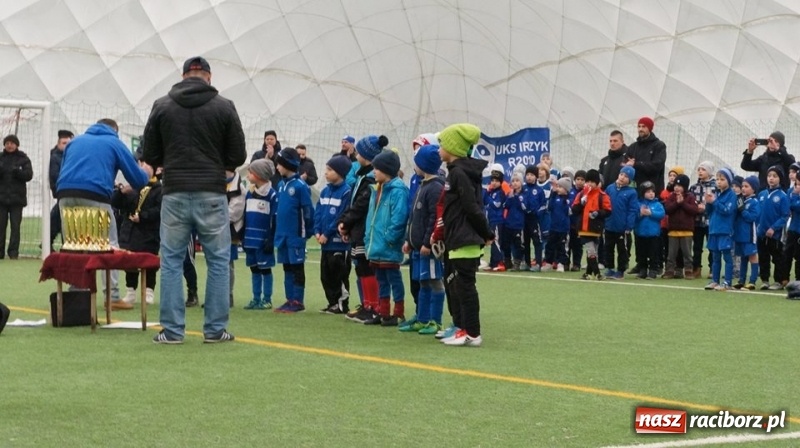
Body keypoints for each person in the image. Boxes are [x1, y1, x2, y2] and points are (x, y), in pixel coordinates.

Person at [142, 56, 246, 344]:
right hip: (212, 191)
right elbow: (237, 155)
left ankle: (173, 331)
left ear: (184, 75)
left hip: (174, 190)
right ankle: (215, 330)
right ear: (209, 77)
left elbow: (149, 151)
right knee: (218, 260)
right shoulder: (224, 106)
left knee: (172, 261)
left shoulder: (162, 105)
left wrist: (169, 162)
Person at [57, 119, 152, 308]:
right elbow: (138, 180)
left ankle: (77, 292)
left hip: (65, 195)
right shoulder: (114, 142)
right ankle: (113, 296)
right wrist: (147, 172)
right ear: (114, 130)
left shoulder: (75, 141)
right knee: (109, 245)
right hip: (95, 195)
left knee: (75, 245)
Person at [435, 123, 494, 347]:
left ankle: (473, 333)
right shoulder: (456, 172)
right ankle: (463, 330)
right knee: (460, 285)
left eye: (442, 145)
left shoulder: (459, 173)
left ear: (453, 147)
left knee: (466, 286)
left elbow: (472, 207)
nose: (439, 149)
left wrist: (486, 233)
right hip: (458, 237)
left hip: (465, 238)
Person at [338, 134, 385, 323]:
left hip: (364, 231)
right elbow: (354, 203)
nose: (356, 153)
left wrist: (346, 222)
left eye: (359, 151)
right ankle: (367, 304)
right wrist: (346, 224)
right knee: (361, 268)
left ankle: (373, 306)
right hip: (357, 230)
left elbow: (360, 206)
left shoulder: (370, 180)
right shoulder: (362, 176)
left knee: (366, 268)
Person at [400, 144, 445, 333]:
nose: (414, 166)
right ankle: (422, 318)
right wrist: (409, 240)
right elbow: (415, 217)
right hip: (418, 246)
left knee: (435, 281)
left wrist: (428, 242)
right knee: (423, 281)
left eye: (417, 162)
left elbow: (433, 218)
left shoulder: (435, 187)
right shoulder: (421, 184)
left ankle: (435, 321)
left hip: (429, 247)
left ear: (424, 165)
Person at [363, 149, 409, 326]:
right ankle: (383, 312)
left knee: (393, 278)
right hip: (376, 244)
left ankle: (398, 312)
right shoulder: (377, 189)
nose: (374, 171)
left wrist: (390, 238)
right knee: (381, 279)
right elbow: (371, 218)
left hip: (388, 245)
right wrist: (369, 238)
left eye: (377, 168)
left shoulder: (398, 191)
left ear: (387, 170)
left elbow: (399, 217)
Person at [111, 151, 162, 305]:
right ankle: (130, 291)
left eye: (144, 164)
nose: (141, 167)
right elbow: (117, 204)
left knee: (149, 262)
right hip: (130, 232)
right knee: (130, 262)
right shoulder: (133, 186)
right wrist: (120, 192)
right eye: (139, 164)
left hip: (149, 233)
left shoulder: (159, 189)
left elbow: (160, 210)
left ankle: (149, 291)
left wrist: (144, 216)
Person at [272, 147, 315, 313]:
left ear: (288, 165)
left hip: (296, 235)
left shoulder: (300, 186)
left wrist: (307, 231)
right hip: (282, 235)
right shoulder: (281, 185)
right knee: (287, 267)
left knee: (297, 267)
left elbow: (307, 210)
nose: (277, 167)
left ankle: (298, 300)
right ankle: (289, 299)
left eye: (279, 164)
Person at [315, 155, 352, 314]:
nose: (326, 173)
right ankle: (332, 303)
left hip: (338, 243)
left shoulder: (346, 192)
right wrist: (317, 231)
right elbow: (318, 212)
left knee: (339, 274)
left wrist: (328, 233)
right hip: (325, 243)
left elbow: (341, 216)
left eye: (330, 170)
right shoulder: (324, 191)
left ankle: (342, 303)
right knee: (326, 275)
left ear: (340, 172)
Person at [242, 159, 277, 310]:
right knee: (254, 268)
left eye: (251, 172)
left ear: (260, 175)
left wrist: (271, 239)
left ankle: (267, 299)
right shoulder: (249, 194)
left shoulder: (272, 195)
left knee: (265, 269)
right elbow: (244, 215)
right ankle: (256, 298)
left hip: (263, 240)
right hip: (250, 239)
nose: (248, 175)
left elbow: (274, 219)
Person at [572, 169, 612, 280]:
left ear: (597, 183)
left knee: (593, 251)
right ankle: (598, 274)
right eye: (587, 181)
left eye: (592, 182)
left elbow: (608, 211)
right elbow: (574, 210)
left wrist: (598, 213)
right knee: (591, 251)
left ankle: (587, 274)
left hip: (596, 228)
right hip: (584, 228)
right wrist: (581, 203)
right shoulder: (581, 195)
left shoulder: (602, 195)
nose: (589, 184)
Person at [756, 165, 789, 290]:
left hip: (774, 234)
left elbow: (785, 215)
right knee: (763, 257)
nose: (771, 179)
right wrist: (758, 226)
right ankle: (764, 280)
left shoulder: (782, 196)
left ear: (780, 178)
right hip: (761, 232)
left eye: (775, 176)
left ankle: (778, 281)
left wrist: (773, 228)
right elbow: (758, 213)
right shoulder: (762, 194)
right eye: (769, 176)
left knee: (777, 258)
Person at [0, 134, 33, 260]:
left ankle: (13, 252)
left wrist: (18, 172)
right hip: (1, 199)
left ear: (17, 145)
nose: (9, 145)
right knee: (1, 226)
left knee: (15, 227)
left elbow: (29, 175)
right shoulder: (0, 158)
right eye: (7, 143)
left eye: (12, 143)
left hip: (17, 200)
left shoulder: (23, 158)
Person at [704, 168, 737, 291]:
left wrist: (714, 201)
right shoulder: (717, 194)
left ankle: (727, 282)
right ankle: (715, 281)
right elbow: (709, 212)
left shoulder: (732, 195)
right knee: (715, 257)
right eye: (717, 179)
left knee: (727, 257)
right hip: (714, 230)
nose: (719, 182)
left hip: (725, 230)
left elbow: (727, 210)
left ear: (729, 181)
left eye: (722, 179)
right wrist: (708, 202)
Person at [603, 166, 638, 280]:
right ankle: (610, 268)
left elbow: (632, 210)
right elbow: (604, 204)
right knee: (608, 247)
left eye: (626, 176)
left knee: (622, 249)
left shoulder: (631, 192)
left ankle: (621, 270)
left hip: (622, 227)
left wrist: (629, 225)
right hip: (609, 225)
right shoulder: (610, 188)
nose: (623, 177)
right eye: (622, 174)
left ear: (630, 180)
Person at [662, 174, 698, 280]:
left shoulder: (690, 197)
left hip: (687, 231)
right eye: (675, 185)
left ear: (685, 187)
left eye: (680, 186)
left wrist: (682, 203)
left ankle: (688, 271)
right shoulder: (671, 197)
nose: (677, 188)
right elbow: (667, 209)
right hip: (673, 230)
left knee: (687, 254)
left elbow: (694, 210)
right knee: (671, 254)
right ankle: (669, 271)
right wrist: (677, 204)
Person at [624, 116, 667, 193]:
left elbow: (657, 166)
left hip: (652, 192)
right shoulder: (633, 147)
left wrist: (636, 164)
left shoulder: (659, 145)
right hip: (634, 190)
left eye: (644, 126)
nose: (640, 129)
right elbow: (625, 163)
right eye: (639, 126)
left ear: (650, 128)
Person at [689, 161, 716, 279]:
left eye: (703, 169)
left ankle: (713, 269)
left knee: (712, 246)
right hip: (697, 221)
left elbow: (718, 202)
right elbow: (689, 202)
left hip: (711, 222)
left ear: (709, 172)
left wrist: (706, 207)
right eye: (699, 169)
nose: (700, 171)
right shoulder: (694, 187)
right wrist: (696, 208)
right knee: (697, 247)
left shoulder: (715, 187)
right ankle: (696, 268)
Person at [47, 130, 74, 250]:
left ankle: (49, 241)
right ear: (58, 143)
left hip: (68, 192)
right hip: (63, 192)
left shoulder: (71, 156)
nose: (66, 145)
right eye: (64, 143)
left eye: (68, 143)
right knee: (63, 219)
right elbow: (54, 175)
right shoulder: (55, 157)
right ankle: (62, 245)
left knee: (59, 218)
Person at [733, 176, 760, 289]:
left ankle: (752, 281)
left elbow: (752, 217)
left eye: (746, 186)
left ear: (753, 189)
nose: (743, 188)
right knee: (743, 257)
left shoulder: (754, 202)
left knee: (752, 256)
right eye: (742, 186)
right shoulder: (741, 200)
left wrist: (743, 210)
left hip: (749, 235)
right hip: (739, 235)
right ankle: (741, 280)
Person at [634, 181, 665, 280]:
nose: (651, 193)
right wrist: (641, 214)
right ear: (642, 193)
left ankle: (653, 270)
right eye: (648, 192)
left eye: (652, 191)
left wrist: (651, 213)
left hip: (653, 234)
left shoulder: (657, 204)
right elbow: (634, 217)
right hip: (641, 233)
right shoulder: (638, 204)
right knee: (641, 253)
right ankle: (642, 269)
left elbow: (661, 214)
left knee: (653, 253)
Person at [544, 177, 573, 272]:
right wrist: (552, 193)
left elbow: (568, 211)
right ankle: (548, 262)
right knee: (550, 245)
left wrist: (565, 200)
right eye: (558, 186)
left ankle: (561, 263)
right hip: (553, 227)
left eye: (560, 187)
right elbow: (550, 207)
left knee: (562, 247)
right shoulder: (555, 197)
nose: (558, 189)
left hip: (563, 229)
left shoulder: (568, 199)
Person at [482, 170, 507, 271]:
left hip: (498, 220)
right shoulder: (490, 192)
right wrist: (487, 192)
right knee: (492, 241)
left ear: (500, 182)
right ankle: (493, 263)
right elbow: (483, 201)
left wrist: (489, 200)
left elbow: (496, 204)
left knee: (496, 241)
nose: (494, 182)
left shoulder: (500, 193)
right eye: (492, 180)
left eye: (496, 180)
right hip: (491, 220)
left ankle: (499, 262)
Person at [503, 173, 527, 271]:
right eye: (513, 181)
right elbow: (506, 206)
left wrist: (516, 197)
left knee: (518, 244)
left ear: (521, 182)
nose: (515, 183)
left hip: (518, 224)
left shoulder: (524, 194)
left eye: (517, 181)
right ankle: (508, 261)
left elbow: (524, 207)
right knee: (506, 243)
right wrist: (510, 197)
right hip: (509, 223)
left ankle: (518, 262)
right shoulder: (509, 194)